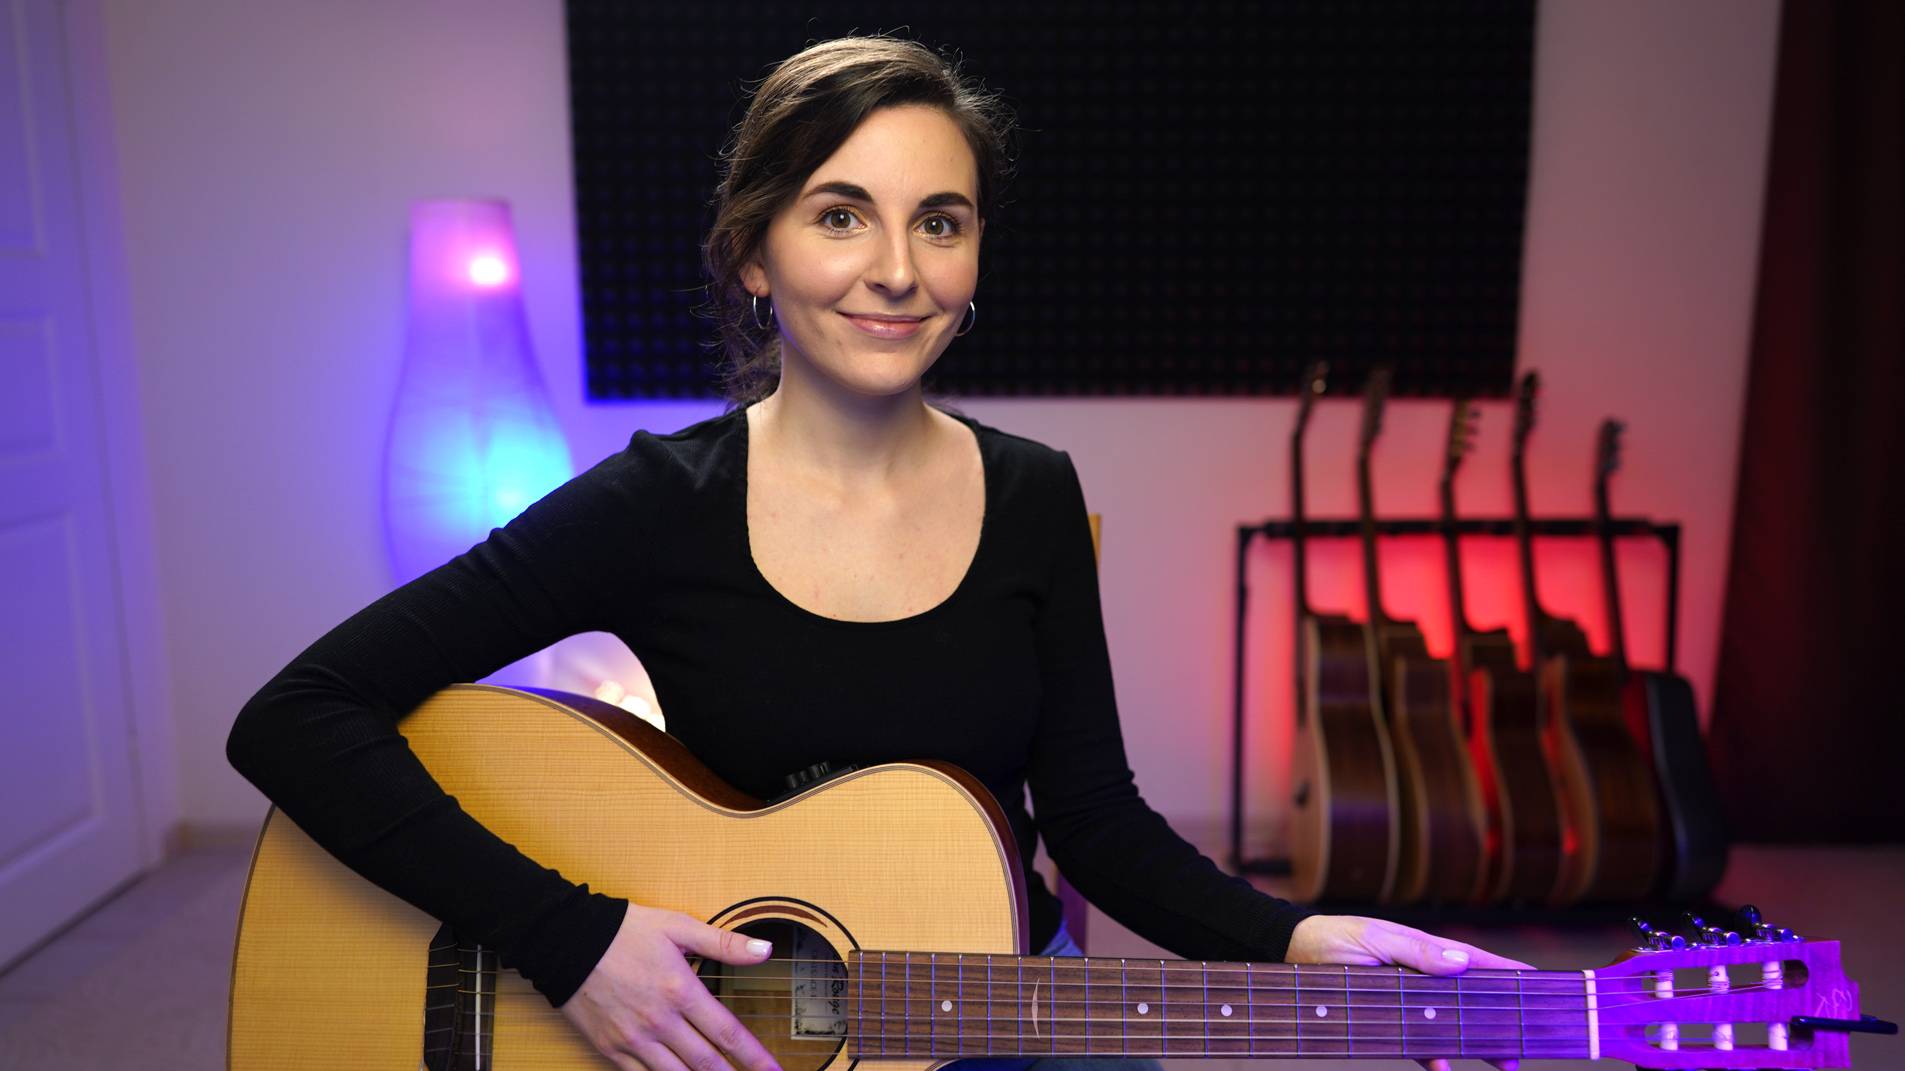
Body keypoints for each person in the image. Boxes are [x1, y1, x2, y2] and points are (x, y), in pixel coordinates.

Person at [227, 34, 1524, 1071]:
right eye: (841, 215)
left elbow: (1094, 822)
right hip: (739, 1030)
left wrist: (1296, 937)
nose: (898, 271)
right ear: (754, 253)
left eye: (941, 222)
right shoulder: (657, 503)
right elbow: (297, 717)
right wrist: (572, 943)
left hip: (999, 992)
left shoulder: (1032, 495)